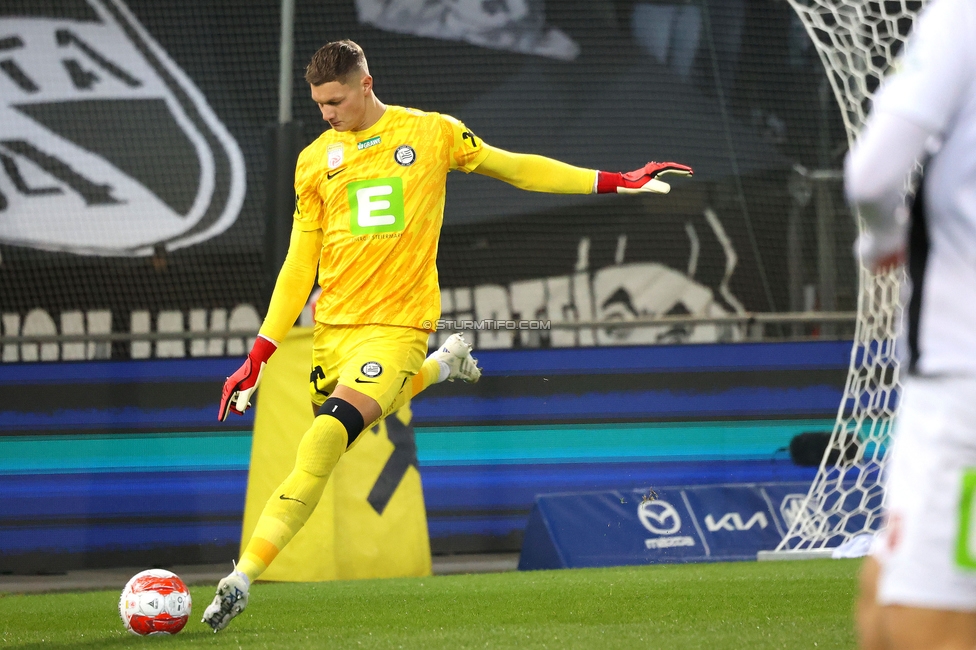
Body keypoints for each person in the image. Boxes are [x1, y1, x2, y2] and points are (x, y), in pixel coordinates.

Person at [202, 39, 693, 632]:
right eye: (319, 104)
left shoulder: (431, 134)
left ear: (365, 84)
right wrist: (261, 352)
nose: (327, 113)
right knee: (344, 432)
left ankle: (241, 578)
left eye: (335, 101)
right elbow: (298, 265)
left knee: (325, 439)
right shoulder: (313, 161)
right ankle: (443, 366)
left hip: (396, 328)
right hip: (333, 332)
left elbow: (516, 168)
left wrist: (615, 180)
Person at [845, 1, 976, 648]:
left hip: (962, 379)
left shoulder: (961, 16)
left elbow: (871, 174)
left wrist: (881, 239)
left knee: (930, 625)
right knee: (881, 590)